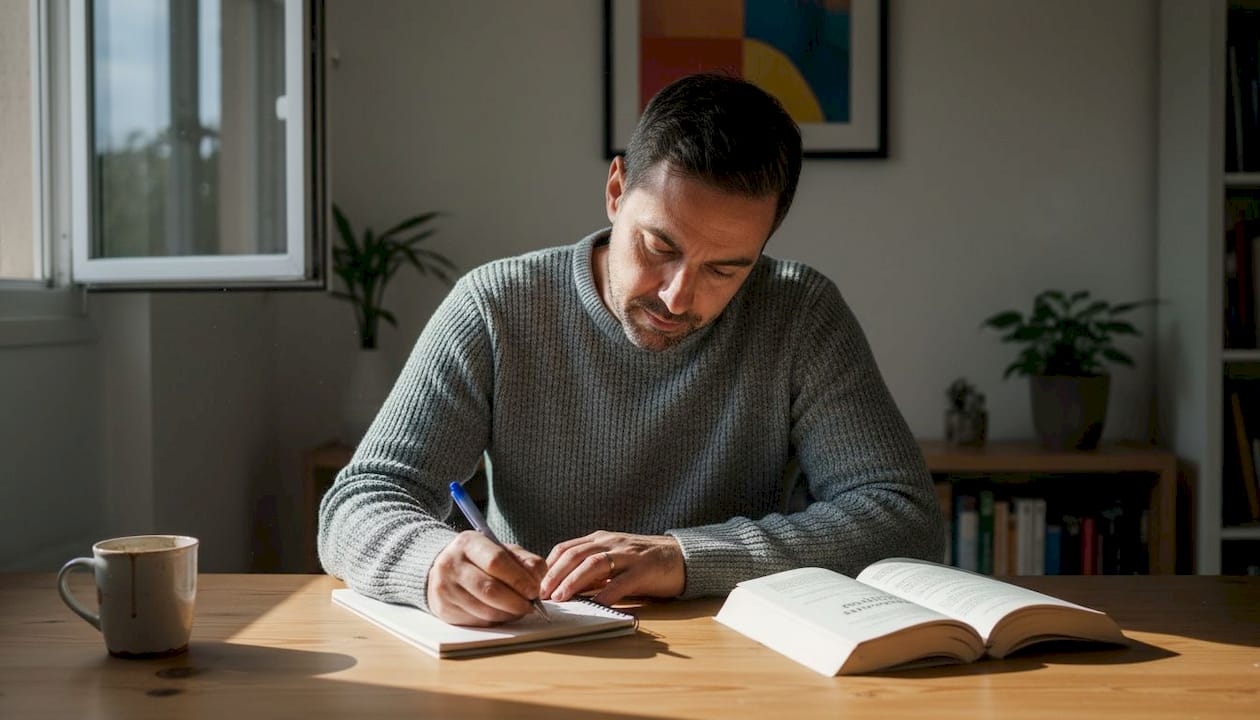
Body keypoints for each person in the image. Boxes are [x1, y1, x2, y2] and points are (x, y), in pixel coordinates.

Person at [319, 73, 942, 627]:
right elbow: (359, 500)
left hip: (742, 656)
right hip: (531, 651)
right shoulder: (495, 306)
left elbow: (903, 516)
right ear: (616, 190)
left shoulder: (799, 312)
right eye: (659, 248)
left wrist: (683, 557)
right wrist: (432, 565)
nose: (677, 296)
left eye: (725, 270)